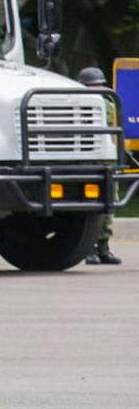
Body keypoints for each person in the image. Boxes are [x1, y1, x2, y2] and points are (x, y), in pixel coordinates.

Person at [78, 66, 121, 265]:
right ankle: (89, 248)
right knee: (89, 206)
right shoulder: (78, 105)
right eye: (92, 86)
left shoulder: (109, 104)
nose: (98, 90)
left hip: (107, 158)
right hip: (87, 159)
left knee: (109, 205)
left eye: (100, 86)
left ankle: (103, 247)